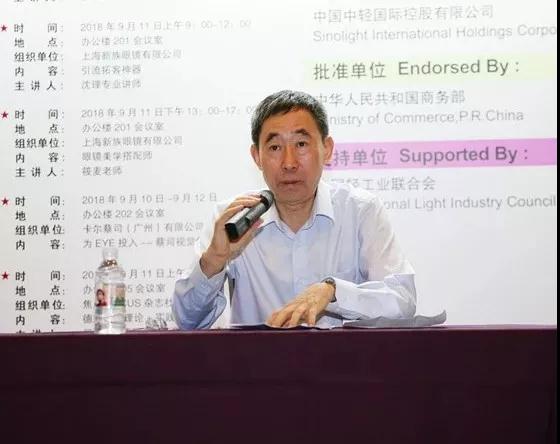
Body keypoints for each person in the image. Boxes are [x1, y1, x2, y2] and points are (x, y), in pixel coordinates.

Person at [173, 90, 416, 329]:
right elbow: (187, 321)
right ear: (256, 156)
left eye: (301, 144)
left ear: (327, 149)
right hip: (257, 357)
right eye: (275, 147)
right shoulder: (233, 220)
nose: (289, 163)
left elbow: (402, 299)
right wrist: (214, 260)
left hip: (342, 356)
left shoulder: (360, 211)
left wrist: (333, 292)